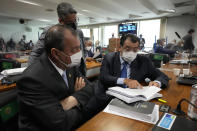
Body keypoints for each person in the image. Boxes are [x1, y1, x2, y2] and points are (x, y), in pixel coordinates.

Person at [17, 25, 94, 131]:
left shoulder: (69, 64)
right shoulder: (32, 79)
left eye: (79, 48)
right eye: (73, 50)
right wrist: (81, 102)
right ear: (56, 53)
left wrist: (72, 99)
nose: (79, 55)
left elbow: (90, 87)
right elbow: (60, 123)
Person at [28, 2, 86, 76]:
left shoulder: (79, 32)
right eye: (70, 22)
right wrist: (30, 72)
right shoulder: (51, 31)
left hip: (79, 70)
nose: (74, 25)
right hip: (62, 72)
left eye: (75, 20)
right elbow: (36, 52)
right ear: (60, 21)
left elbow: (83, 50)